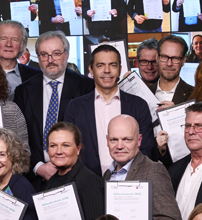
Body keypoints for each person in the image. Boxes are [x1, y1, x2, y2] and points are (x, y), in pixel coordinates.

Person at [103, 116, 182, 220]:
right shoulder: (107, 175)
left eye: (127, 139)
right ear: (107, 141)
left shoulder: (153, 171)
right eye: (114, 139)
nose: (119, 146)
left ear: (139, 140)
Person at [13, 32, 95, 185]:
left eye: (56, 53)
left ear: (67, 55)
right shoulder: (23, 91)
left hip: (77, 178)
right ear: (38, 57)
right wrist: (38, 167)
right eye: (44, 55)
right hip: (36, 179)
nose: (50, 60)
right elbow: (17, 138)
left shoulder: (87, 87)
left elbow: (90, 136)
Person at [63, 44, 153, 176]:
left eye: (113, 65)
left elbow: (146, 149)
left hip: (130, 182)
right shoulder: (74, 107)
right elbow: (68, 150)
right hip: (86, 183)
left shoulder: (139, 106)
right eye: (100, 65)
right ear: (91, 70)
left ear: (120, 69)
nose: (107, 70)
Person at [147, 35, 194, 113]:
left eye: (175, 58)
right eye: (164, 57)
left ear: (183, 61)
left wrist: (175, 116)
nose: (169, 64)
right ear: (157, 58)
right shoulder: (144, 93)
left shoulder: (194, 95)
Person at [0, 21, 38, 98]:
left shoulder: (36, 76)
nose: (9, 44)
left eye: (15, 39)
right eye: (3, 38)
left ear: (22, 46)